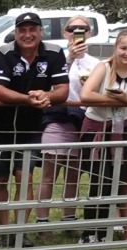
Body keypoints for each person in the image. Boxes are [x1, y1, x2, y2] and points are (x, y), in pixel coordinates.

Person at [0, 12, 69, 243]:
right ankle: (4, 232)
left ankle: (19, 230)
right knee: (0, 179)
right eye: (22, 30)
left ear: (41, 31)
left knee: (25, 178)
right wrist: (27, 99)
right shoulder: (3, 53)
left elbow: (63, 89)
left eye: (33, 29)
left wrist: (47, 94)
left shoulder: (54, 52)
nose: (28, 34)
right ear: (16, 32)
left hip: (31, 125)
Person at [36, 16, 101, 228]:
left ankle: (68, 220)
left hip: (82, 121)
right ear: (65, 33)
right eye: (73, 28)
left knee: (73, 174)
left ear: (89, 34)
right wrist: (70, 58)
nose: (77, 32)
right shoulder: (57, 58)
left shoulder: (96, 64)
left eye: (83, 28)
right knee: (49, 173)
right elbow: (49, 85)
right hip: (58, 118)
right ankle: (42, 222)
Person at [77, 28, 127, 243]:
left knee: (120, 180)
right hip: (98, 130)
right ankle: (92, 231)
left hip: (124, 131)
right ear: (116, 48)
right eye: (124, 48)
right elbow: (86, 94)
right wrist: (117, 100)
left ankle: (109, 230)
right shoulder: (103, 67)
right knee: (99, 181)